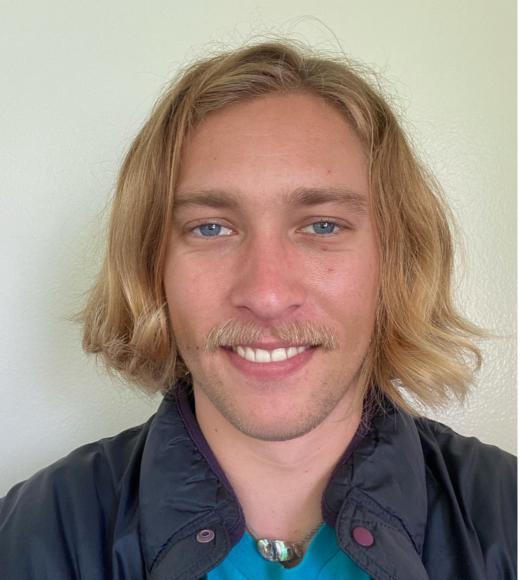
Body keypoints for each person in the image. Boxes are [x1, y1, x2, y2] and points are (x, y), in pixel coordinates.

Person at [0, 40, 515, 580]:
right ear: (153, 266)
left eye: (322, 226)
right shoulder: (35, 532)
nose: (267, 294)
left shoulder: (505, 517)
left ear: (395, 260)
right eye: (211, 228)